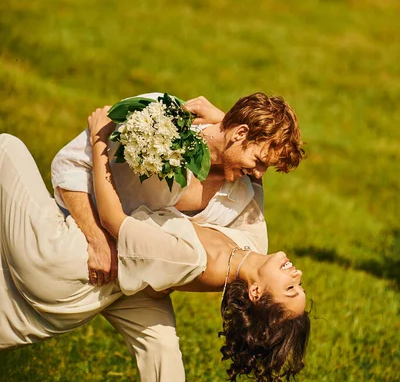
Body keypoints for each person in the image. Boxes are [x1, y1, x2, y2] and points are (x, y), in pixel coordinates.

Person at [0, 112, 310, 381]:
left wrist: (99, 140)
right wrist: (232, 126)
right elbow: (255, 177)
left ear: (255, 293)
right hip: (119, 285)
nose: (296, 275)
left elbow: (114, 222)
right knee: (162, 351)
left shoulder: (189, 259)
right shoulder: (251, 244)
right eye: (300, 285)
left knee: (7, 148)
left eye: (290, 288)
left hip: (68, 261)